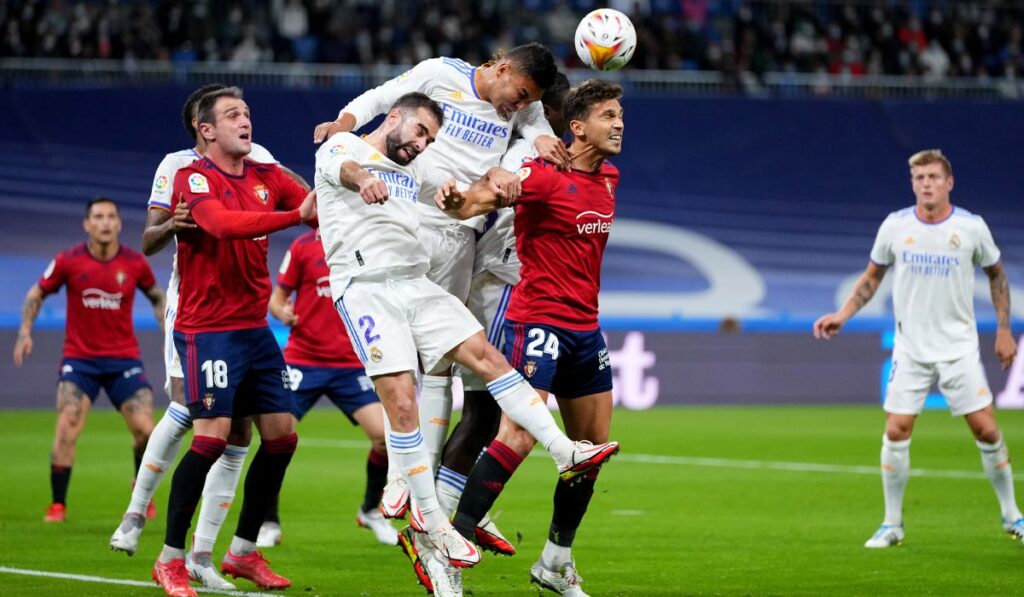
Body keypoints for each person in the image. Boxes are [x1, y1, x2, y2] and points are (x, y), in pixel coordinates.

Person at [315, 91, 619, 597]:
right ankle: (431, 521)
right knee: (407, 402)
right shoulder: (343, 146)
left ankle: (564, 454)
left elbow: (470, 193)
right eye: (419, 134)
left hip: (417, 281)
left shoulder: (414, 168)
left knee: (487, 360)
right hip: (367, 289)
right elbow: (344, 168)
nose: (422, 146)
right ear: (394, 117)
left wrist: (483, 184)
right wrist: (362, 178)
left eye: (431, 139)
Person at [313, 45, 570, 517]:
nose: (518, 105)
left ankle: (420, 479)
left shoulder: (525, 108)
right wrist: (342, 126)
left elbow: (536, 129)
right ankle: (402, 477)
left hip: (459, 230)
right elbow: (382, 97)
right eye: (518, 93)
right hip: (408, 216)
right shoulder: (439, 73)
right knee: (400, 362)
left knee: (440, 364)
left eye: (528, 100)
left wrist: (533, 145)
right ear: (503, 68)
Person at [111, 83, 307, 590]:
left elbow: (312, 197)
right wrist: (295, 216)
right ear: (206, 129)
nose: (246, 121)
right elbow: (220, 226)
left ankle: (241, 553)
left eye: (247, 113)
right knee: (211, 436)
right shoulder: (190, 178)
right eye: (233, 115)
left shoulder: (264, 171)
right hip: (207, 328)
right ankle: (170, 556)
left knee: (283, 437)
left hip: (254, 328)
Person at [435, 79, 625, 597]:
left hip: (587, 329)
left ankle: (556, 562)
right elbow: (477, 201)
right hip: (537, 321)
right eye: (608, 115)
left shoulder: (609, 177)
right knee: (515, 438)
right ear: (578, 126)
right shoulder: (540, 176)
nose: (619, 123)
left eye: (620, 115)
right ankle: (448, 551)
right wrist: (460, 198)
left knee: (591, 450)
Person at [813, 149, 1024, 548]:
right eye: (919, 178)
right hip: (910, 348)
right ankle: (892, 524)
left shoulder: (971, 227)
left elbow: (997, 276)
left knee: (986, 428)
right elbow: (873, 276)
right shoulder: (895, 227)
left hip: (958, 348)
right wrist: (843, 314)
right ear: (913, 184)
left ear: (949, 182)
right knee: (897, 428)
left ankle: (1013, 515)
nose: (926, 183)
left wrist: (1003, 331)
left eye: (932, 177)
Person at [432, 72, 572, 560]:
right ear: (550, 118)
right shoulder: (518, 163)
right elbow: (474, 204)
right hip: (493, 287)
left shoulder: (529, 157)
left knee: (487, 416)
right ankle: (440, 522)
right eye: (564, 121)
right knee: (484, 413)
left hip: (500, 286)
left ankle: (453, 511)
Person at [13, 197, 165, 524]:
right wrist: (25, 331)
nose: (105, 222)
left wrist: (168, 326)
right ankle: (58, 504)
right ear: (87, 224)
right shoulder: (68, 261)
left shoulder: (135, 263)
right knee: (67, 425)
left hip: (124, 359)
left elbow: (156, 295)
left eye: (111, 216)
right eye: (98, 217)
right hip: (79, 361)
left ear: (119, 224)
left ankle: (141, 489)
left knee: (146, 430)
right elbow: (36, 293)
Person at [260, 229, 396, 547]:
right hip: (303, 361)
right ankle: (267, 520)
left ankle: (370, 510)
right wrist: (282, 312)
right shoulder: (303, 247)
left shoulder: (367, 239)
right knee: (276, 438)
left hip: (351, 364)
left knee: (384, 438)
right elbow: (276, 299)